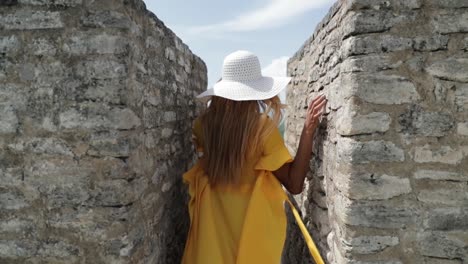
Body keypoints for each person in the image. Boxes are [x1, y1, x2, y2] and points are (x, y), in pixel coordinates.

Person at [181, 50, 327, 264]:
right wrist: (308, 129)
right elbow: (294, 184)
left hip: (211, 228)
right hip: (251, 227)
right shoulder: (261, 129)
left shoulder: (203, 127)